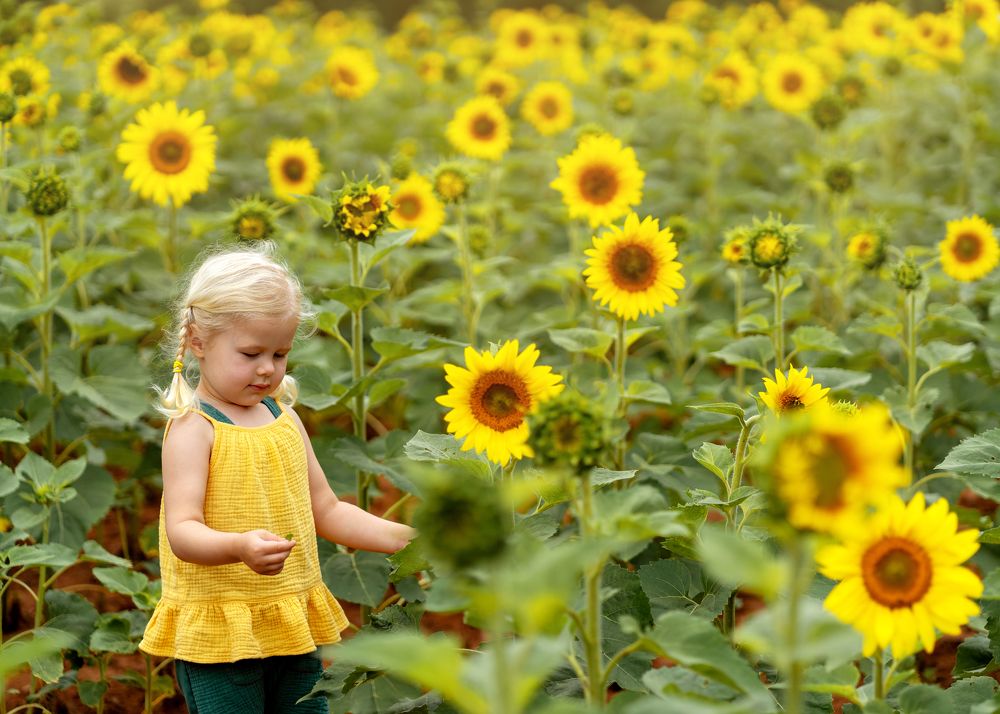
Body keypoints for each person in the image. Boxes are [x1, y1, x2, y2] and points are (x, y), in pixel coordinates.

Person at [140, 243, 414, 713]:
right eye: (250, 353)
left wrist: (408, 538)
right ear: (198, 341)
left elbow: (326, 510)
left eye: (280, 352)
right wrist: (239, 547)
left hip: (290, 619)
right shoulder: (193, 428)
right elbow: (182, 532)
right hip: (222, 633)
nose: (267, 368)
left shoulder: (283, 418)